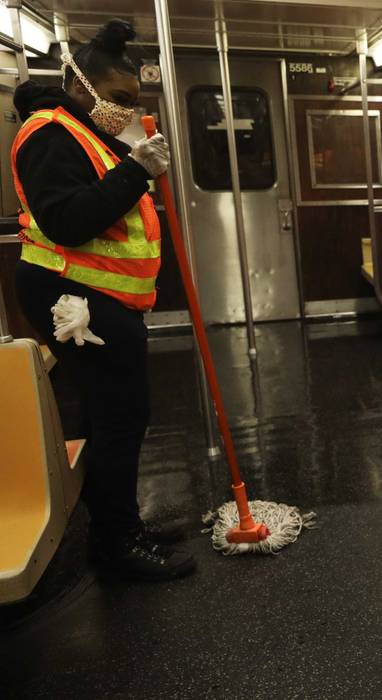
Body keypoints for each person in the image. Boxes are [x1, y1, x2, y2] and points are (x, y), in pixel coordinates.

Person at [12, 19, 196, 581]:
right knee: (120, 416)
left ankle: (119, 528)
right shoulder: (48, 134)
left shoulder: (84, 131)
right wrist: (136, 171)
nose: (124, 111)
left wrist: (129, 162)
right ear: (78, 84)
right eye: (117, 99)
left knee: (111, 415)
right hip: (76, 299)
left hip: (101, 295)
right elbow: (67, 220)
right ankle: (117, 544)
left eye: (132, 102)